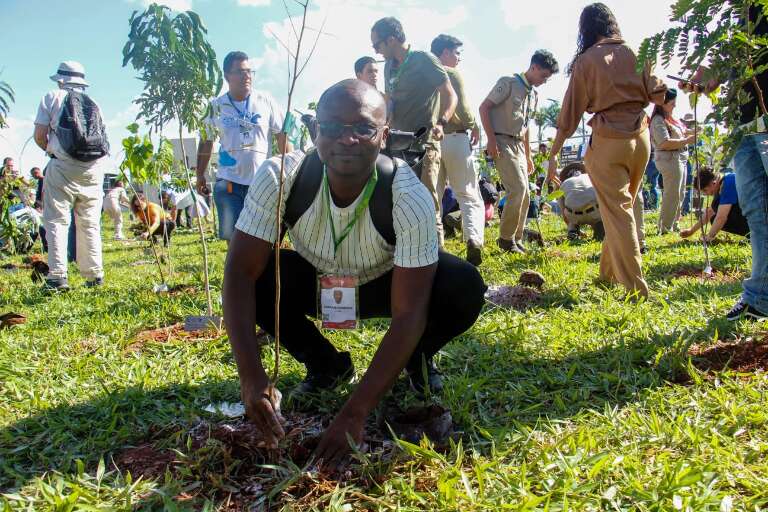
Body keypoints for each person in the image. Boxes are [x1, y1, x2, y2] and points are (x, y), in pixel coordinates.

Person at [223, 79, 485, 467]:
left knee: (462, 284)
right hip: (316, 282)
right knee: (258, 277)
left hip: (383, 283)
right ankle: (326, 364)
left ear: (383, 134)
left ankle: (416, 356)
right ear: (314, 132)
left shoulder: (408, 195)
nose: (347, 140)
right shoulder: (280, 177)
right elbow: (239, 274)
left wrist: (355, 412)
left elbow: (409, 311)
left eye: (363, 128)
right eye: (332, 128)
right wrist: (251, 376)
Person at [546, 3, 666, 298]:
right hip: (642, 140)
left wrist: (552, 156)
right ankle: (606, 274)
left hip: (609, 142)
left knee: (618, 212)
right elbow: (660, 92)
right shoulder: (637, 51)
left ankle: (636, 289)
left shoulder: (587, 61)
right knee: (618, 211)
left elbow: (568, 118)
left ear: (586, 29)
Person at [679, 6, 766, 320]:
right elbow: (737, 54)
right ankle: (760, 299)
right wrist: (711, 73)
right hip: (743, 122)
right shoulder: (738, 12)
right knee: (757, 212)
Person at [372, 17, 458, 245]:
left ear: (391, 40)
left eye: (377, 45)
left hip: (425, 142)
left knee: (428, 198)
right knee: (399, 199)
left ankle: (438, 255)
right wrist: (384, 122)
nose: (376, 51)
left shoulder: (424, 60)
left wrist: (442, 122)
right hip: (398, 144)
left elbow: (450, 94)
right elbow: (390, 100)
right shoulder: (389, 66)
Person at [196, 51, 288, 242]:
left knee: (264, 237)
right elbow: (206, 142)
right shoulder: (215, 107)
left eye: (249, 71)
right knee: (234, 238)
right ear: (227, 76)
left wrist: (288, 170)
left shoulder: (265, 102)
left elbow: (282, 136)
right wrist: (200, 175)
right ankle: (237, 271)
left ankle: (264, 272)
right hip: (229, 182)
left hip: (262, 182)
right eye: (239, 71)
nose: (246, 75)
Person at [33, 61, 108, 291]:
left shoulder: (51, 97)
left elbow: (39, 135)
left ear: (61, 79)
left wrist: (50, 150)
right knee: (90, 222)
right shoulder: (94, 102)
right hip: (93, 169)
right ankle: (94, 274)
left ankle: (57, 276)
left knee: (56, 220)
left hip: (63, 166)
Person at [479, 49, 559, 254]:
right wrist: (490, 139)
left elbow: (526, 126)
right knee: (518, 189)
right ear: (534, 67)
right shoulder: (508, 83)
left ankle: (517, 238)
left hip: (518, 147)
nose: (544, 80)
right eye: (543, 75)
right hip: (501, 141)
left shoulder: (533, 94)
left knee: (526, 194)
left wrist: (529, 154)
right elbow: (484, 107)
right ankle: (505, 239)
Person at [430, 34, 485, 265]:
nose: (458, 57)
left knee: (434, 197)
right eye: (456, 52)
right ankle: (473, 239)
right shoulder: (451, 74)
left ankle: (437, 247)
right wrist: (474, 125)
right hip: (455, 138)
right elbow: (462, 106)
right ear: (443, 53)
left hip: (431, 141)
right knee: (468, 195)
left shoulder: (423, 76)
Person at [651, 88, 695, 234]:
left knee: (680, 193)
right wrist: (687, 140)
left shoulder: (671, 118)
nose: (674, 106)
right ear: (662, 104)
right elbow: (664, 142)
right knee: (672, 194)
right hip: (669, 158)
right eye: (671, 103)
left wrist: (693, 132)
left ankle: (674, 223)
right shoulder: (658, 120)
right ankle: (664, 227)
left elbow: (680, 131)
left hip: (680, 158)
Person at [681, 167, 749, 241]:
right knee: (714, 215)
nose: (707, 194)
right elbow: (710, 212)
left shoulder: (728, 183)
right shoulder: (723, 182)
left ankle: (753, 233)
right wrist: (691, 231)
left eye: (705, 190)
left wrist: (709, 237)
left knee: (716, 216)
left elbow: (721, 217)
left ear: (713, 182)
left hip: (758, 217)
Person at [557, 162, 605, 241]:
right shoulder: (590, 177)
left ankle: (573, 230)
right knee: (598, 203)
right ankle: (598, 225)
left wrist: (570, 223)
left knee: (567, 209)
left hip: (574, 215)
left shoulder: (564, 184)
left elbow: (564, 215)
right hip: (594, 211)